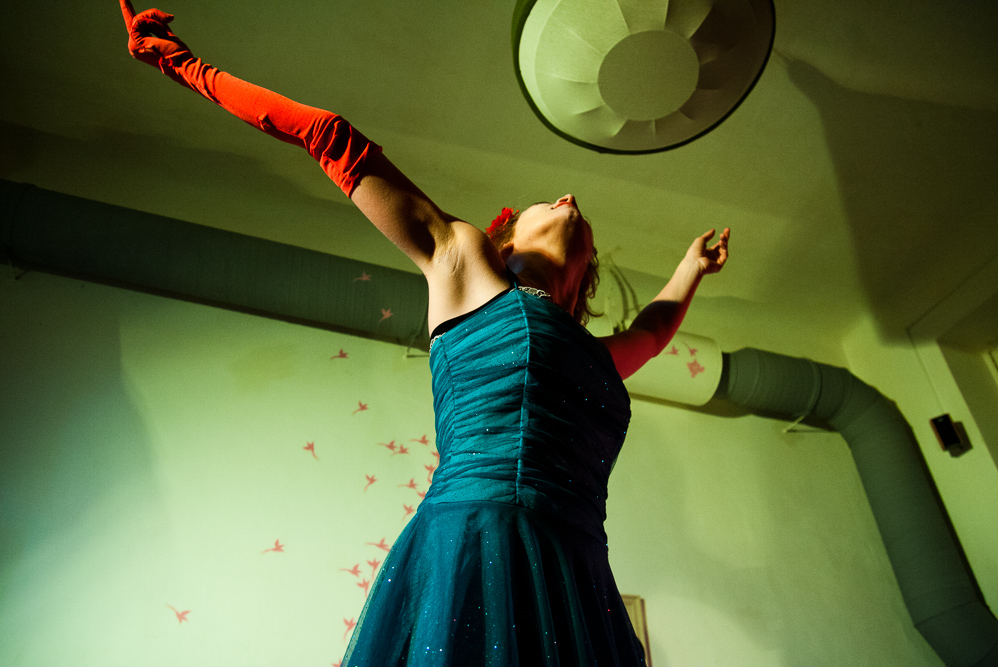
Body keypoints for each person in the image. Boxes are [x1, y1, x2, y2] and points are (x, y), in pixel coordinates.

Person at [118, 3, 730, 665]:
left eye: (567, 205)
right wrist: (185, 65)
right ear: (507, 243)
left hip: (578, 570)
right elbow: (328, 135)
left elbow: (653, 330)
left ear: (585, 274)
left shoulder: (598, 358)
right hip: (477, 535)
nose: (569, 197)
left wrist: (690, 268)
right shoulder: (465, 263)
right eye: (547, 202)